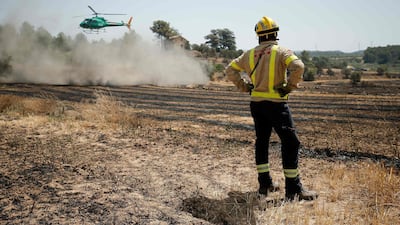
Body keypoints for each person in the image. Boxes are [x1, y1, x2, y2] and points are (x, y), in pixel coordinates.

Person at [224, 16, 318, 201]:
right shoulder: (281, 51)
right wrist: (289, 86)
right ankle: (294, 190)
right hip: (277, 106)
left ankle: (265, 184)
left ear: (258, 35)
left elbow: (229, 70)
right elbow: (298, 66)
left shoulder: (249, 54)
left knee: (262, 141)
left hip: (257, 105)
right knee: (291, 143)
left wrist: (244, 87)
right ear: (275, 33)